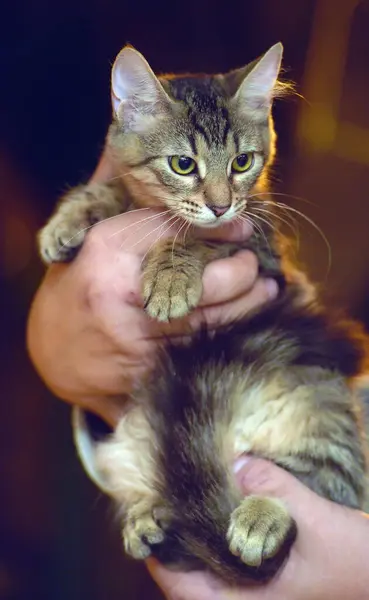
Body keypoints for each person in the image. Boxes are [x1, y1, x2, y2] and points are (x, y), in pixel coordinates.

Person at [27, 154, 369, 600]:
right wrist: (56, 348)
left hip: (278, 439)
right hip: (207, 439)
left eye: (241, 163)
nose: (220, 196)